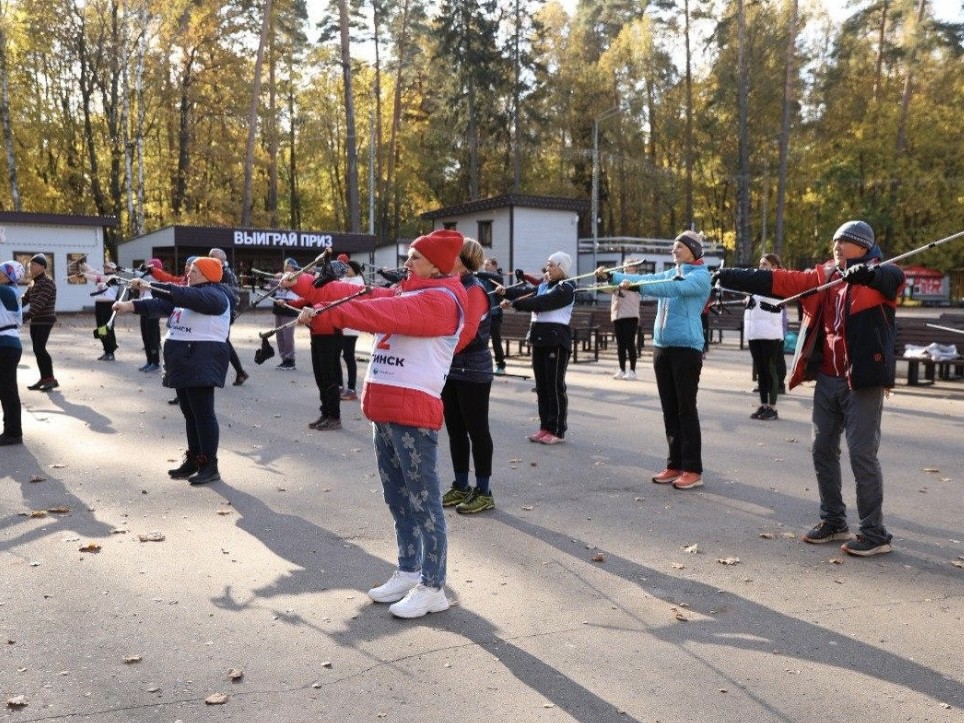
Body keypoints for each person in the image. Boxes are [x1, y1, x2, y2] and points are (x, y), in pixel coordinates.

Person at [283, 228, 470, 619]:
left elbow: (379, 313)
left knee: (424, 503)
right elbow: (365, 296)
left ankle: (433, 585)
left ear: (437, 264)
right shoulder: (410, 291)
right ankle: (408, 569)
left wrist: (324, 311)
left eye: (415, 257)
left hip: (413, 413)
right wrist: (305, 284)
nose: (407, 262)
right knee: (397, 498)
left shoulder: (443, 299)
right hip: (384, 409)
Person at [715, 220, 904, 556]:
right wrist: (727, 275)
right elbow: (777, 280)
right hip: (829, 378)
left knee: (862, 454)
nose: (837, 245)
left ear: (863, 246)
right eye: (835, 240)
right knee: (821, 449)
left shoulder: (883, 274)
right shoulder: (825, 275)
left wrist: (866, 274)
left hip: (863, 381)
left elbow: (891, 280)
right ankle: (833, 519)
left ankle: (875, 533)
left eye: (845, 241)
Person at [601, 230, 711, 490]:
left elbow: (670, 288)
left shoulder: (700, 276)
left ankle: (693, 468)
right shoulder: (672, 271)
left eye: (679, 248)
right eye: (674, 248)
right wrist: (613, 276)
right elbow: (649, 278)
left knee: (686, 408)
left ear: (693, 250)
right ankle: (674, 464)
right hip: (662, 347)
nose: (674, 252)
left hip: (687, 348)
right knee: (669, 409)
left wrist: (636, 285)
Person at [113, 256, 232, 485]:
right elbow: (161, 305)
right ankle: (195, 459)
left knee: (203, 414)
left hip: (201, 361)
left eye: (195, 271)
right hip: (185, 360)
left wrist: (150, 285)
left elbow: (183, 295)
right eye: (189, 270)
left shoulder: (215, 295)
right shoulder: (189, 294)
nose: (189, 274)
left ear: (208, 275)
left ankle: (210, 465)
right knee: (190, 413)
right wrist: (129, 306)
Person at [440, 239, 496, 514]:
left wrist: (439, 352)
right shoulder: (452, 284)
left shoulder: (474, 289)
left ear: (464, 260)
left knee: (477, 431)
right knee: (455, 430)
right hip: (452, 368)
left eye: (452, 255)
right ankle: (461, 484)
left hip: (473, 369)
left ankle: (483, 490)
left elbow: (467, 333)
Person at [498, 251, 575, 445]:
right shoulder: (543, 286)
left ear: (561, 268)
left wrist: (515, 304)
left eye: (551, 265)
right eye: (547, 265)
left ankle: (556, 429)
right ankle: (545, 426)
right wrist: (505, 291)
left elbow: (542, 303)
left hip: (556, 340)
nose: (547, 268)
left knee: (554, 385)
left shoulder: (566, 288)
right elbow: (526, 293)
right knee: (541, 386)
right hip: (539, 337)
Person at [743, 253, 786, 420]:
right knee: (761, 371)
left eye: (765, 264)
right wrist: (748, 300)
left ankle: (773, 407)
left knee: (770, 370)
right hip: (755, 333)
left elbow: (776, 300)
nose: (762, 267)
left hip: (770, 334)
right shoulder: (756, 283)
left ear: (774, 266)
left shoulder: (778, 281)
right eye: (760, 264)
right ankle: (763, 405)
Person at [210, 248, 249, 385]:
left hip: (223, 313)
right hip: (220, 312)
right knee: (222, 342)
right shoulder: (219, 272)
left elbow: (232, 295)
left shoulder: (225, 273)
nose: (210, 259)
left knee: (223, 343)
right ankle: (239, 372)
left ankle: (235, 372)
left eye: (213, 257)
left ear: (221, 260)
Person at [22, 254, 58, 392]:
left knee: (40, 348)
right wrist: (10, 306)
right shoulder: (33, 283)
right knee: (38, 349)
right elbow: (24, 300)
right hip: (36, 320)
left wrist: (25, 317)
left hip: (45, 320)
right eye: (30, 265)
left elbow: (39, 304)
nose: (30, 267)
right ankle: (45, 378)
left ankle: (50, 379)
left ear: (42, 267)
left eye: (34, 264)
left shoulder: (47, 282)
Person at [0, 261, 25, 445]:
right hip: (7, 343)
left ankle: (14, 432)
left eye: (1, 272)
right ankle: (10, 429)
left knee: (8, 389)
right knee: (5, 389)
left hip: (7, 344)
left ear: (9, 277)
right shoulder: (6, 290)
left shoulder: (9, 291)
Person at [606, 258, 642, 380]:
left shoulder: (636, 279)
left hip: (630, 315)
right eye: (626, 266)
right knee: (620, 344)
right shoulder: (618, 279)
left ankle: (632, 370)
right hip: (617, 314)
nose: (628, 268)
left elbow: (633, 288)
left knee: (630, 343)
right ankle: (622, 369)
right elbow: (610, 288)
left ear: (635, 268)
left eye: (631, 266)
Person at [78, 260, 120, 361]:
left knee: (107, 328)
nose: (106, 269)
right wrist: (83, 264)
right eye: (105, 267)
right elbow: (93, 272)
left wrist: (84, 275)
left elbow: (96, 277)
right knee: (100, 328)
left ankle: (111, 352)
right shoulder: (102, 276)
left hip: (109, 305)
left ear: (113, 269)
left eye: (108, 267)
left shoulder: (114, 278)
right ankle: (106, 350)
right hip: (99, 304)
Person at [337, 260, 365, 401]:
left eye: (348, 267)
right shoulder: (345, 279)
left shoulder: (358, 281)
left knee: (348, 356)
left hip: (351, 325)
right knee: (338, 355)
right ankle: (340, 386)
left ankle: (352, 388)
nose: (346, 269)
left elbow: (344, 289)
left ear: (354, 269)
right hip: (341, 324)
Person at [476, 257, 506, 375]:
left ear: (494, 266)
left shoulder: (496, 278)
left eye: (488, 264)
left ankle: (500, 365)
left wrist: (478, 273)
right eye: (484, 264)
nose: (485, 266)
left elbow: (497, 278)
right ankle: (481, 365)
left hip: (495, 315)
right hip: (483, 315)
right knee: (482, 341)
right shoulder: (481, 277)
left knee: (496, 341)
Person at [134, 259, 164, 372]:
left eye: (150, 267)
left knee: (151, 337)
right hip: (144, 308)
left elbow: (145, 279)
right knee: (145, 337)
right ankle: (149, 361)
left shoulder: (155, 279)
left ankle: (155, 362)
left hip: (153, 309)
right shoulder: (146, 277)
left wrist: (142, 272)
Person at [271, 258, 301, 370]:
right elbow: (273, 290)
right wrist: (275, 280)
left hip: (289, 310)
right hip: (278, 308)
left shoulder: (296, 277)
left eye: (287, 265)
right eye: (285, 265)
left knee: (287, 337)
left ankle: (290, 360)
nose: (285, 267)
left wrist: (283, 280)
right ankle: (284, 359)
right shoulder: (281, 277)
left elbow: (292, 288)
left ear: (293, 267)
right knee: (280, 337)